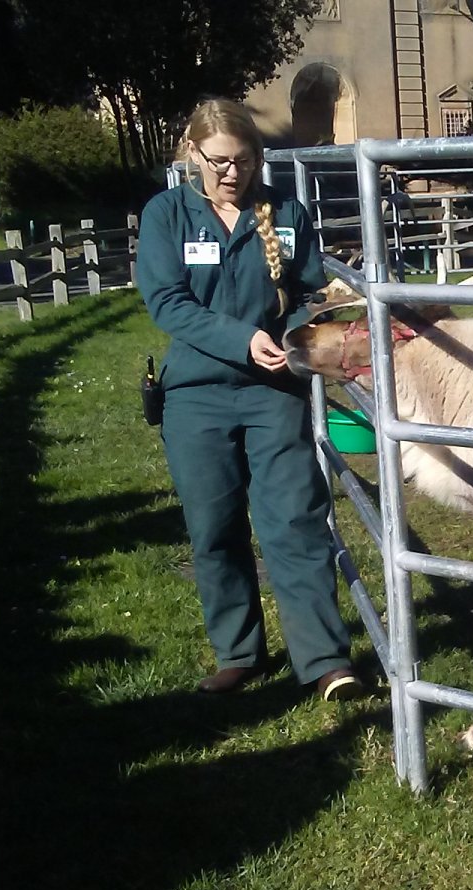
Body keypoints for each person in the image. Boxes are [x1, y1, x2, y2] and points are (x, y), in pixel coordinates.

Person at [136, 98, 359, 701]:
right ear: (192, 153)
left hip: (275, 391)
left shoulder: (286, 211)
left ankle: (324, 660)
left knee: (295, 521)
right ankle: (239, 653)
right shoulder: (166, 215)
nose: (231, 173)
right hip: (196, 396)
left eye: (244, 161)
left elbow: (312, 288)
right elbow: (168, 302)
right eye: (218, 162)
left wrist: (328, 311)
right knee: (214, 528)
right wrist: (243, 338)